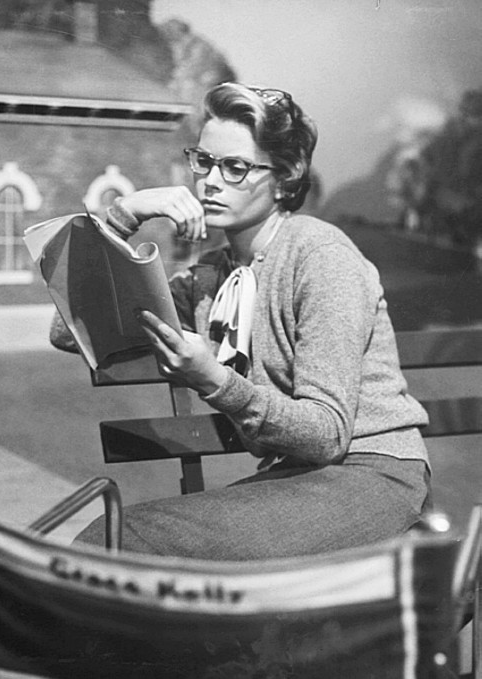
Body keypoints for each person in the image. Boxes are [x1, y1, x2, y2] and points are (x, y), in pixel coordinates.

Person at [51, 82, 432, 560]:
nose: (210, 181)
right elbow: (69, 331)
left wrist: (213, 379)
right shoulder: (211, 278)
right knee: (112, 536)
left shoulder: (321, 255)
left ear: (285, 178)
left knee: (122, 539)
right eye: (204, 161)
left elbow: (326, 434)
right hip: (294, 481)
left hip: (374, 479)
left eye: (235, 167)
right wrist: (125, 214)